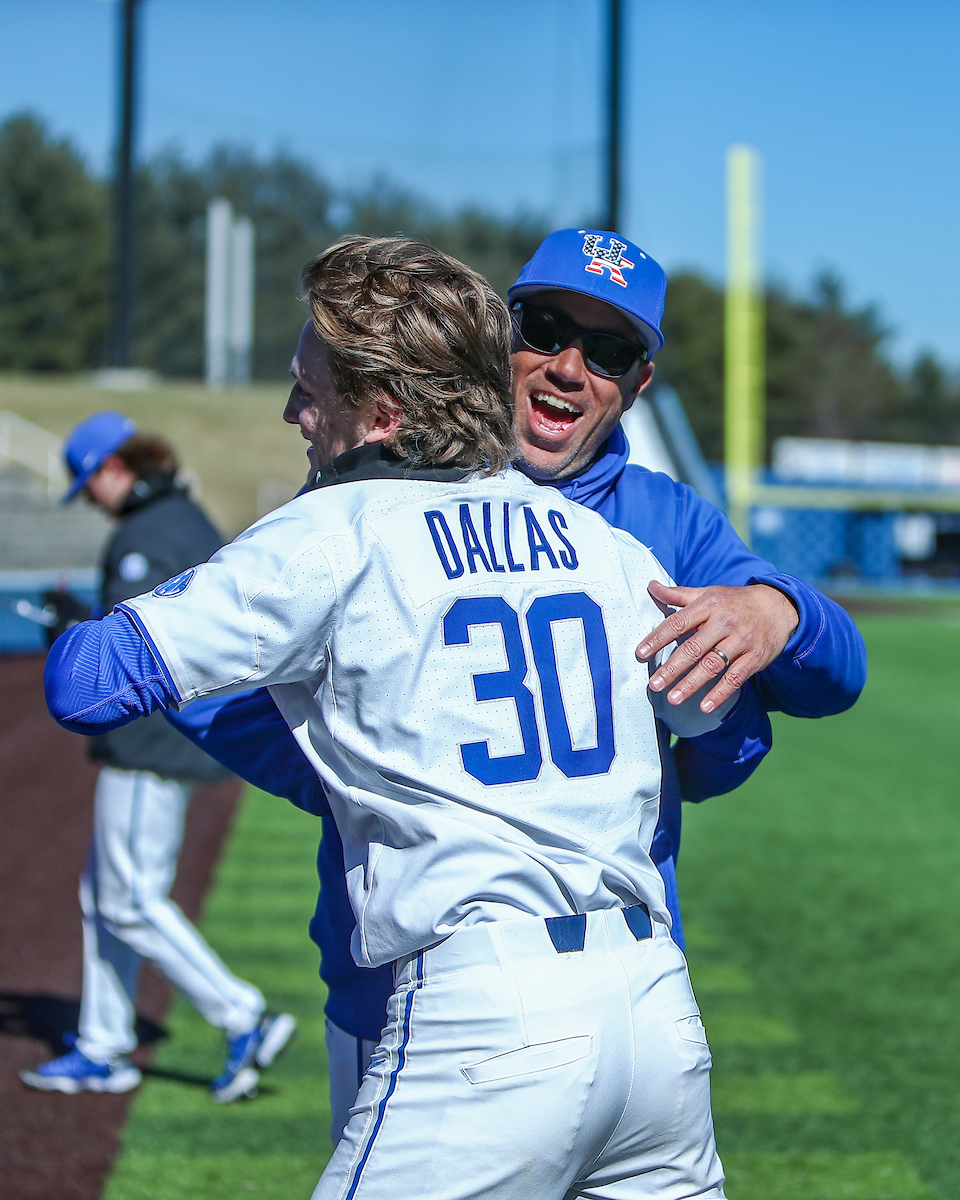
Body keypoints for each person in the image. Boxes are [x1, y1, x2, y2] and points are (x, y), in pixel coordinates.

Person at [46, 235, 748, 1198]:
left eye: (308, 385)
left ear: (381, 411)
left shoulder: (333, 533)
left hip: (484, 1018)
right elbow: (725, 734)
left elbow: (87, 683)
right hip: (657, 1013)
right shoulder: (607, 543)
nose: (294, 410)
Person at [167, 228, 867, 1141]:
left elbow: (828, 678)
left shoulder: (664, 518)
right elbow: (209, 684)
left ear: (638, 384)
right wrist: (372, 780)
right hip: (404, 981)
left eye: (609, 350)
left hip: (620, 976)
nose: (570, 368)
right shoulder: (381, 481)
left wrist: (779, 611)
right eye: (544, 329)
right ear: (496, 335)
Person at [19, 413, 295, 1103]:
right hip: (175, 736)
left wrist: (66, 627)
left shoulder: (149, 532)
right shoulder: (183, 517)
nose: (90, 498)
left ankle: (243, 1015)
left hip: (154, 743)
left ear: (116, 468)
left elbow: (136, 660)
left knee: (132, 899)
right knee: (107, 896)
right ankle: (103, 1044)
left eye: (91, 484)